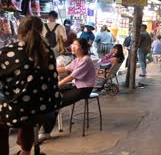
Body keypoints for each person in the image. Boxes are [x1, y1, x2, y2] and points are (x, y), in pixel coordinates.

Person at [0, 16, 61, 155]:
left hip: (19, 110)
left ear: (18, 31)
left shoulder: (7, 52)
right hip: (44, 109)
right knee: (28, 112)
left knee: (6, 116)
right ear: (41, 31)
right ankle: (25, 152)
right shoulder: (48, 52)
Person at [40, 38, 96, 141]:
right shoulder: (78, 59)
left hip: (84, 89)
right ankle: (44, 128)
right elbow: (65, 69)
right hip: (76, 85)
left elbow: (72, 76)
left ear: (83, 48)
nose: (73, 47)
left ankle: (46, 132)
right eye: (72, 44)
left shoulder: (86, 60)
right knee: (51, 95)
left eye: (76, 45)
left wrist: (57, 85)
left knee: (56, 101)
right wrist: (48, 70)